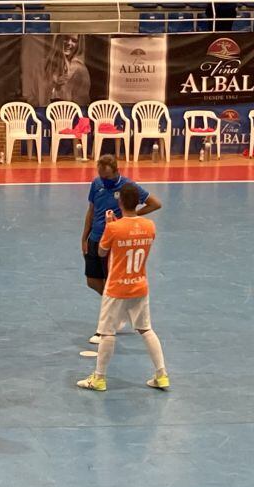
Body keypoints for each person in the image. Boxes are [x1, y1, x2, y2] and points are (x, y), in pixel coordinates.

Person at [78, 185, 169, 392]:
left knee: (108, 333)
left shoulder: (114, 228)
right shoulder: (150, 226)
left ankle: (99, 378)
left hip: (117, 287)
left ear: (120, 203)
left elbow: (102, 252)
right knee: (146, 329)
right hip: (139, 285)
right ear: (138, 202)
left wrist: (111, 225)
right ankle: (162, 374)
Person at [82, 154, 162, 344]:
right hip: (95, 238)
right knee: (92, 282)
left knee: (111, 286)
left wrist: (131, 217)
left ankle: (105, 328)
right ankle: (120, 309)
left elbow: (155, 204)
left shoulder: (128, 188)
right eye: (101, 176)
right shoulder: (96, 184)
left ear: (116, 171)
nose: (104, 180)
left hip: (113, 242)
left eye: (107, 177)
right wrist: (84, 236)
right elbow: (91, 210)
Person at [44, 34, 90, 106]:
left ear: (78, 44)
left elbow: (82, 103)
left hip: (68, 113)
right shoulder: (47, 65)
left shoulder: (80, 70)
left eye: (74, 40)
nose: (69, 43)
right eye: (66, 38)